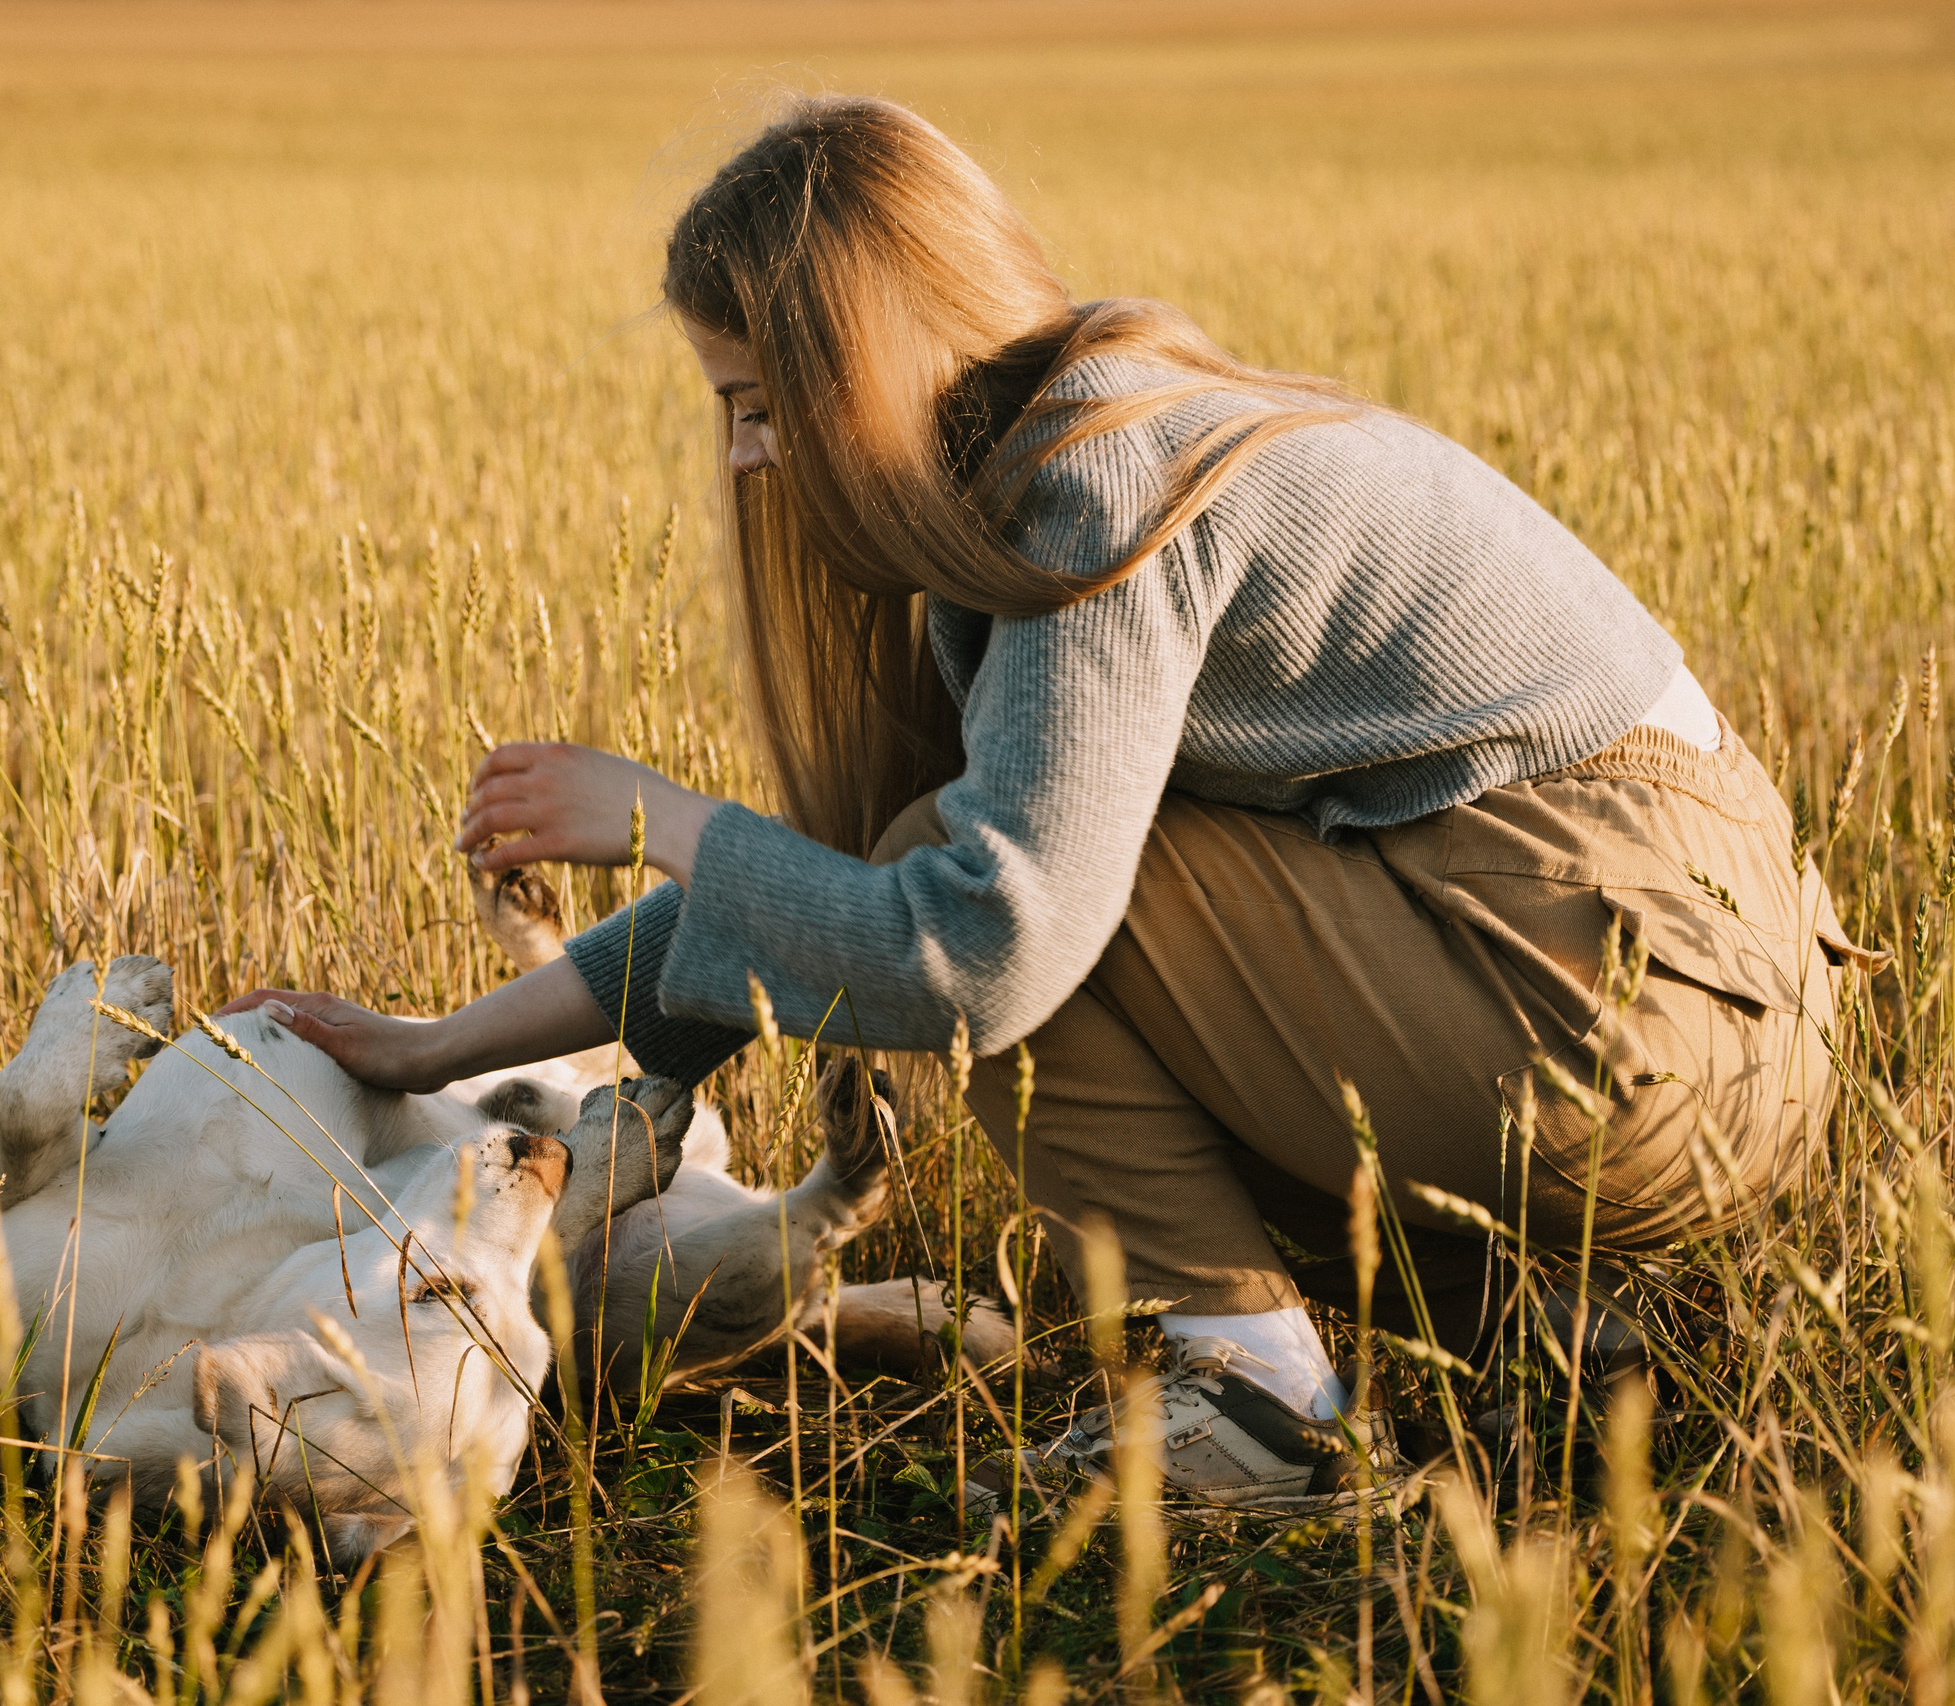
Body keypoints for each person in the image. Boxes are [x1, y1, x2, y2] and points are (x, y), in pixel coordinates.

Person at [221, 95, 1864, 1507]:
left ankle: (1263, 1411)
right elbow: (830, 908)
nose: (744, 460)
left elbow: (976, 948)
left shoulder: (1092, 487)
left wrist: (666, 814)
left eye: (754, 403)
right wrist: (443, 1050)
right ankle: (1532, 1328)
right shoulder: (1088, 434)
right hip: (1665, 974)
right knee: (975, 866)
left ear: (855, 367)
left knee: (996, 906)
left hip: (1628, 998)